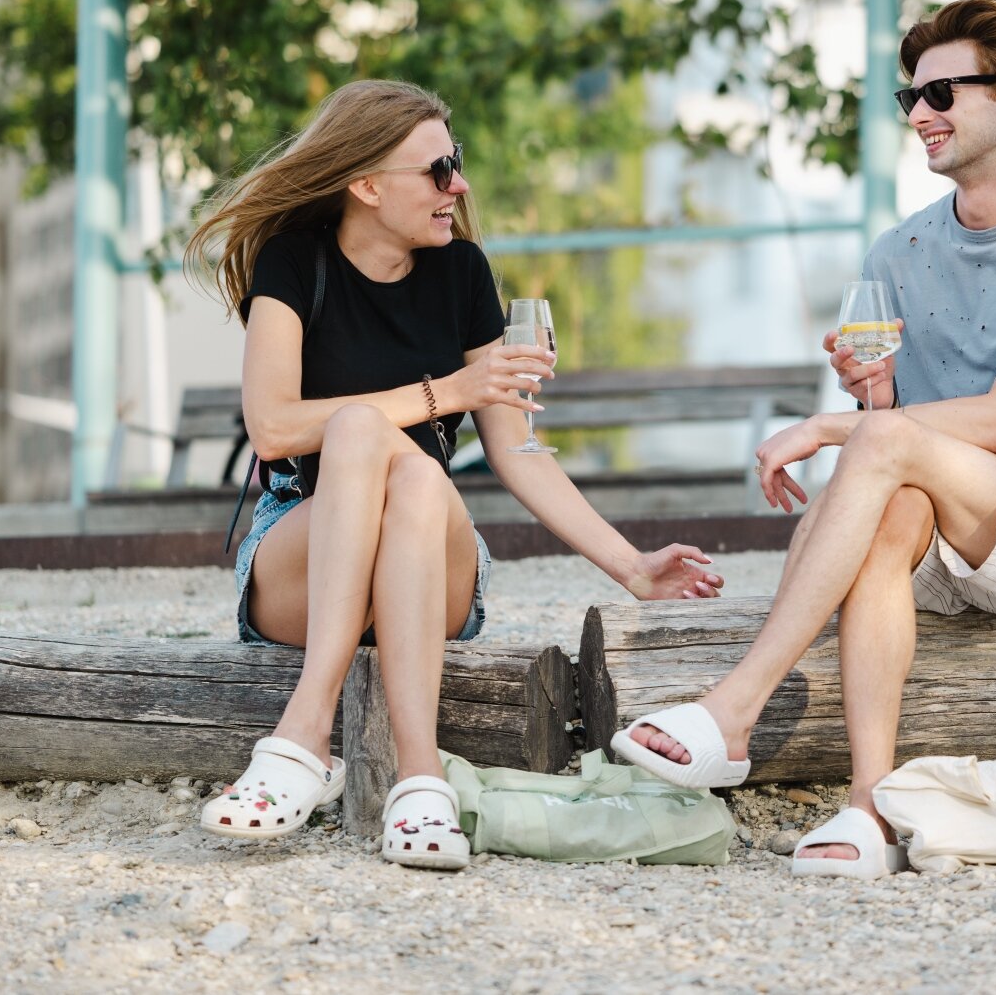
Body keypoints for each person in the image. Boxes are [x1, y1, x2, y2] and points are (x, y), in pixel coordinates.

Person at [611, 0, 996, 877]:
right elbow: (890, 434)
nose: (919, 114)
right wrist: (868, 399)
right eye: (911, 96)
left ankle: (734, 710)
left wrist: (837, 429)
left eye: (941, 91)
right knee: (890, 502)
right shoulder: (896, 253)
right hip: (929, 503)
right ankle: (869, 809)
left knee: (882, 456)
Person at [184, 79, 723, 871]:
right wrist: (444, 395)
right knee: (363, 433)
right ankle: (413, 777)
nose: (459, 186)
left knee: (409, 475)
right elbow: (272, 427)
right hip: (303, 547)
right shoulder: (293, 262)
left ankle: (320, 749)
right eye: (438, 170)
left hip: (424, 559)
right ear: (366, 185)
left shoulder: (463, 273)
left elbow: (519, 451)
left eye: (456, 164)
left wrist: (632, 566)